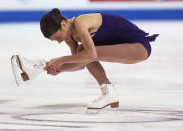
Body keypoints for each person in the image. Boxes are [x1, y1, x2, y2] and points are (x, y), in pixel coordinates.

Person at [11, 8, 159, 109]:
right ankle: (38, 68)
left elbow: (91, 55)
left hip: (139, 47)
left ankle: (109, 94)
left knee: (85, 51)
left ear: (63, 24)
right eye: (55, 40)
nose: (59, 41)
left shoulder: (81, 23)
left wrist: (59, 60)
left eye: (58, 37)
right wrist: (54, 67)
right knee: (82, 53)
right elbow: (81, 64)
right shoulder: (70, 37)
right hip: (128, 47)